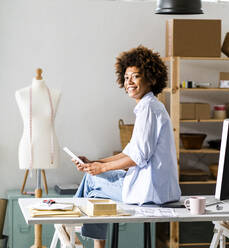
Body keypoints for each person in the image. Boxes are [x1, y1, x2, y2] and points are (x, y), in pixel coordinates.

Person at [73, 46, 181, 248]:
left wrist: (100, 169)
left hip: (151, 192)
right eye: (126, 77)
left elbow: (139, 157)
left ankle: (71, 229)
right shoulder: (148, 107)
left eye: (135, 76)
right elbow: (128, 153)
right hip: (153, 188)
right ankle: (78, 232)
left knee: (92, 180)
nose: (128, 82)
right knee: (93, 179)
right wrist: (95, 163)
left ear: (151, 79)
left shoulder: (149, 108)